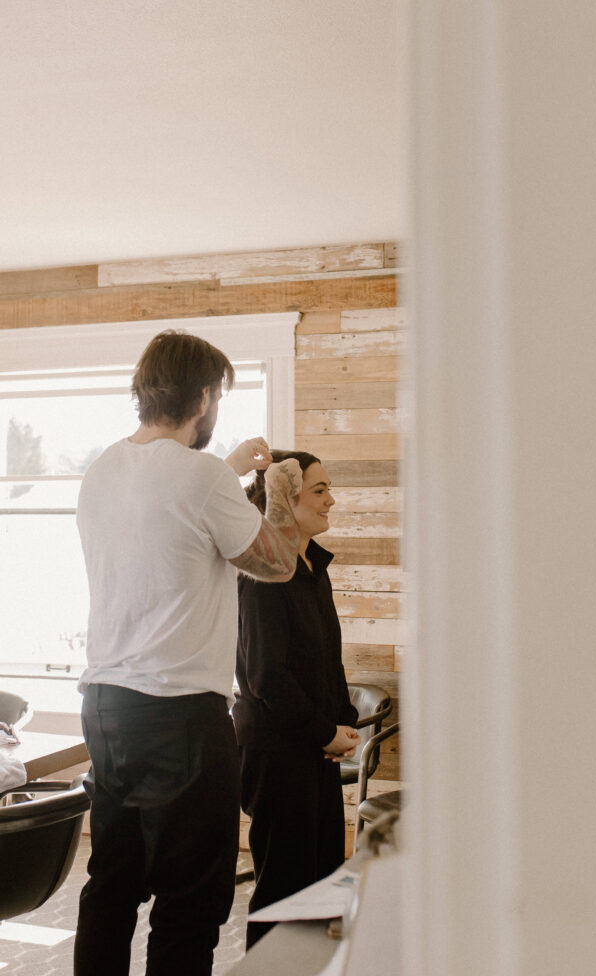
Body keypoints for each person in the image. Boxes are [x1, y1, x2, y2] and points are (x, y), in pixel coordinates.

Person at [73, 330, 302, 976]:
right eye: (218, 397)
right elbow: (279, 563)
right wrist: (278, 484)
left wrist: (226, 470)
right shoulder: (201, 477)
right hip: (180, 717)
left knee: (111, 886)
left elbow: (171, 511)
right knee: (191, 900)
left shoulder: (102, 470)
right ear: (204, 396)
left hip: (106, 708)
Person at [232, 450, 361, 949]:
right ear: (287, 497)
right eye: (320, 490)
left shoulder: (312, 565)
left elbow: (327, 660)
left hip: (312, 748)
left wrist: (342, 724)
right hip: (277, 753)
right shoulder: (264, 573)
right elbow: (267, 677)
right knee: (285, 892)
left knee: (323, 881)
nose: (332, 500)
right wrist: (325, 732)